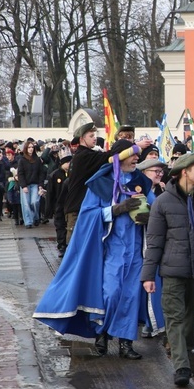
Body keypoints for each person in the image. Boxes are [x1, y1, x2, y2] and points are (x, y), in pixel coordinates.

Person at [33, 140, 154, 359]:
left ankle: (126, 343)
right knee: (110, 292)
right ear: (119, 158)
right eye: (132, 155)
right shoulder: (100, 183)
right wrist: (115, 210)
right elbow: (87, 216)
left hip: (136, 249)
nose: (137, 159)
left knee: (131, 295)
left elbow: (155, 207)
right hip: (110, 249)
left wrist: (151, 216)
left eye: (138, 155)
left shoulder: (142, 182)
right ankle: (102, 336)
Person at [142, 152, 194, 387]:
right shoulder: (163, 202)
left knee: (190, 318)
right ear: (184, 172)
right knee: (174, 317)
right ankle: (181, 366)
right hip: (172, 271)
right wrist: (148, 275)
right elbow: (155, 241)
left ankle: (184, 348)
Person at [63, 123, 150, 243]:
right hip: (78, 209)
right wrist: (134, 146)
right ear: (82, 139)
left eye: (95, 135)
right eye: (91, 136)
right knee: (79, 250)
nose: (95, 138)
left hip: (78, 207)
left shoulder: (85, 155)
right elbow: (109, 157)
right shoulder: (83, 156)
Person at [136, 158, 168, 340]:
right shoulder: (142, 192)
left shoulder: (157, 190)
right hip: (146, 244)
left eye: (160, 171)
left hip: (158, 242)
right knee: (151, 282)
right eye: (155, 171)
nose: (159, 174)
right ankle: (151, 322)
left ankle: (151, 322)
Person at [45, 147, 72, 255]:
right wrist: (49, 210)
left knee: (69, 225)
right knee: (60, 226)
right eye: (68, 162)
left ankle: (69, 245)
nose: (70, 164)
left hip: (70, 204)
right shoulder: (55, 175)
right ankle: (61, 245)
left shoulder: (73, 174)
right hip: (58, 205)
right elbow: (50, 194)